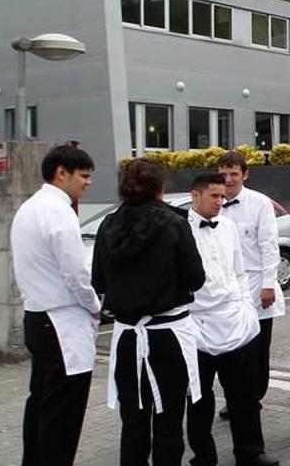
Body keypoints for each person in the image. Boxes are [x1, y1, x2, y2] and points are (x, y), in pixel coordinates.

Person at [93, 159, 205, 466]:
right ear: (160, 186)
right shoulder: (175, 223)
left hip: (128, 337)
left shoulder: (107, 225)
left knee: (133, 422)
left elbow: (98, 281)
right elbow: (196, 277)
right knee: (168, 421)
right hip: (168, 335)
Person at [11, 143, 100, 466]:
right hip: (60, 322)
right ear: (61, 173)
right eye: (84, 175)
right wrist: (93, 305)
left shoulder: (30, 207)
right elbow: (75, 273)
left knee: (41, 404)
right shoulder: (58, 211)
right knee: (62, 412)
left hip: (37, 316)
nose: (87, 182)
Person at [183, 173, 278, 466]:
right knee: (199, 399)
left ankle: (251, 453)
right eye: (214, 196)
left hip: (234, 321)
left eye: (223, 196)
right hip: (197, 325)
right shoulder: (180, 229)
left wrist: (245, 309)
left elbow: (239, 271)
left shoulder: (228, 226)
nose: (220, 202)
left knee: (244, 396)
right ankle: (203, 456)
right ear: (195, 195)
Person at [216, 152, 284, 411]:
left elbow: (269, 246)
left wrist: (269, 283)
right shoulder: (212, 202)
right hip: (225, 290)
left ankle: (253, 398)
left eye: (234, 173)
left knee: (257, 350)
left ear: (245, 174)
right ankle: (235, 397)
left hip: (256, 285)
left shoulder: (259, 203)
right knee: (227, 348)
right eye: (224, 173)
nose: (229, 179)